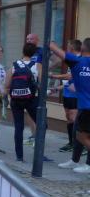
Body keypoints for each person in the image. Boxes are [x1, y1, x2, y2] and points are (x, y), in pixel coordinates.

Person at [51, 38, 90, 174]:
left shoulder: (78, 61)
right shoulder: (78, 61)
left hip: (86, 106)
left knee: (80, 135)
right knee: (77, 132)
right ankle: (75, 160)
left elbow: (60, 53)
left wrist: (50, 44)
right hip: (83, 105)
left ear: (83, 47)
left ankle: (88, 165)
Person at [4, 42, 39, 162]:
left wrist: (8, 97)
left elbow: (7, 85)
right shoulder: (37, 66)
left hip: (16, 100)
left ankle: (19, 156)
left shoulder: (14, 65)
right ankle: (38, 152)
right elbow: (41, 84)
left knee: (19, 127)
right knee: (42, 125)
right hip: (31, 99)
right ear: (34, 54)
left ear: (23, 52)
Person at [51, 39, 82, 153]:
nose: (67, 48)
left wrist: (54, 76)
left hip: (75, 95)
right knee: (69, 118)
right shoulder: (71, 61)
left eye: (68, 46)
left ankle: (79, 145)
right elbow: (69, 81)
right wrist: (57, 88)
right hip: (67, 93)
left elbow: (70, 76)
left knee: (74, 118)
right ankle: (71, 143)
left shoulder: (79, 59)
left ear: (72, 47)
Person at [23, 33, 42, 144]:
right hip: (27, 85)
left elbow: (56, 60)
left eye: (31, 39)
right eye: (27, 39)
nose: (29, 40)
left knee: (36, 112)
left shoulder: (41, 51)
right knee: (29, 112)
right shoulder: (27, 51)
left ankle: (38, 137)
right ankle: (33, 135)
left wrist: (45, 71)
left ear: (37, 40)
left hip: (37, 86)